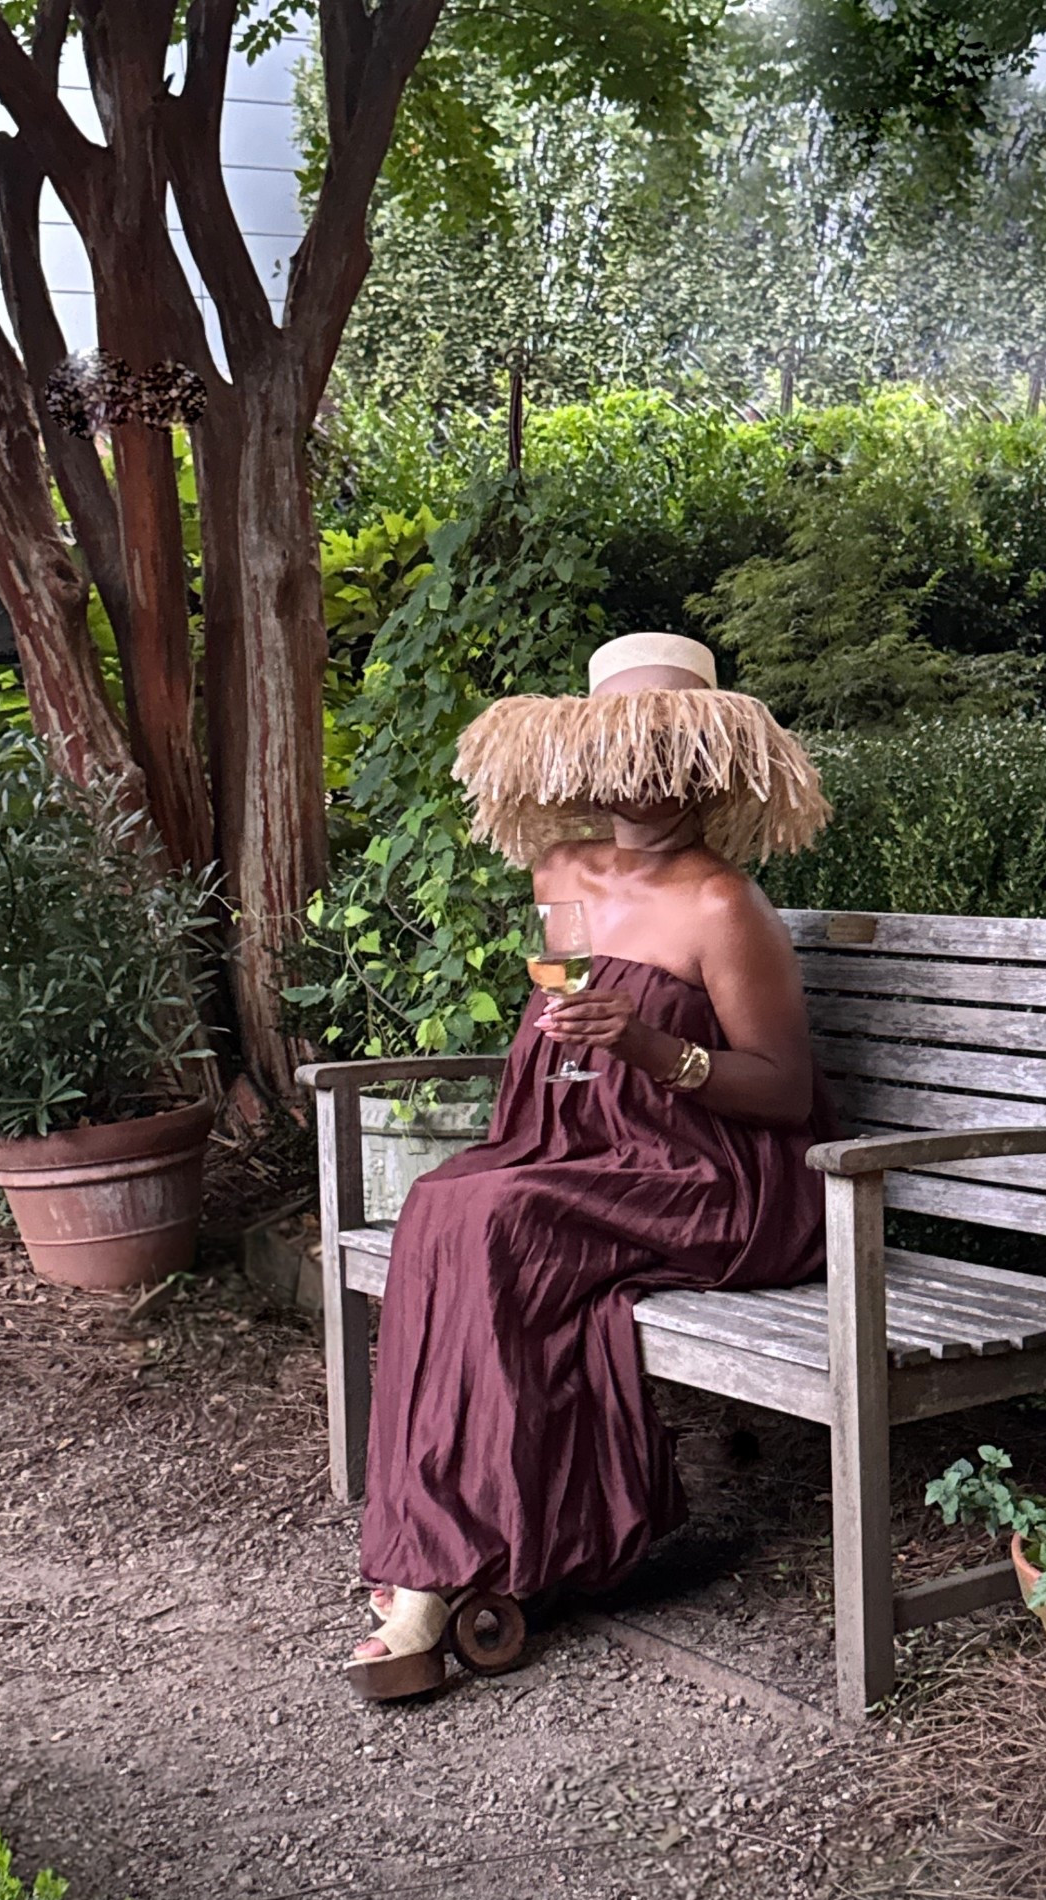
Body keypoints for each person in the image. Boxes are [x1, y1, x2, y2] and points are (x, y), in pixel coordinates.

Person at [350, 632, 836, 1696]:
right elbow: (559, 1011)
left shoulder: (724, 903)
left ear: (702, 767)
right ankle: (451, 1530)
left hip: (713, 1177)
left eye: (665, 754)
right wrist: (572, 1072)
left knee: (494, 1218)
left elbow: (786, 1093)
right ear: (589, 757)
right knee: (441, 1200)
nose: (639, 776)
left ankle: (441, 1569)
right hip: (584, 1144)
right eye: (621, 750)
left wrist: (653, 1048)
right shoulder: (560, 870)